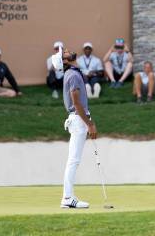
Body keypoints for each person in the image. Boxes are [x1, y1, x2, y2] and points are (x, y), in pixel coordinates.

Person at [57, 46, 96, 209]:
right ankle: (67, 197)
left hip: (78, 119)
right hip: (79, 120)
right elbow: (76, 102)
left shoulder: (72, 73)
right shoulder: (72, 74)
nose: (67, 50)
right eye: (64, 52)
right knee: (73, 160)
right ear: (64, 61)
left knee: (73, 160)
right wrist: (89, 124)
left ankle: (68, 197)